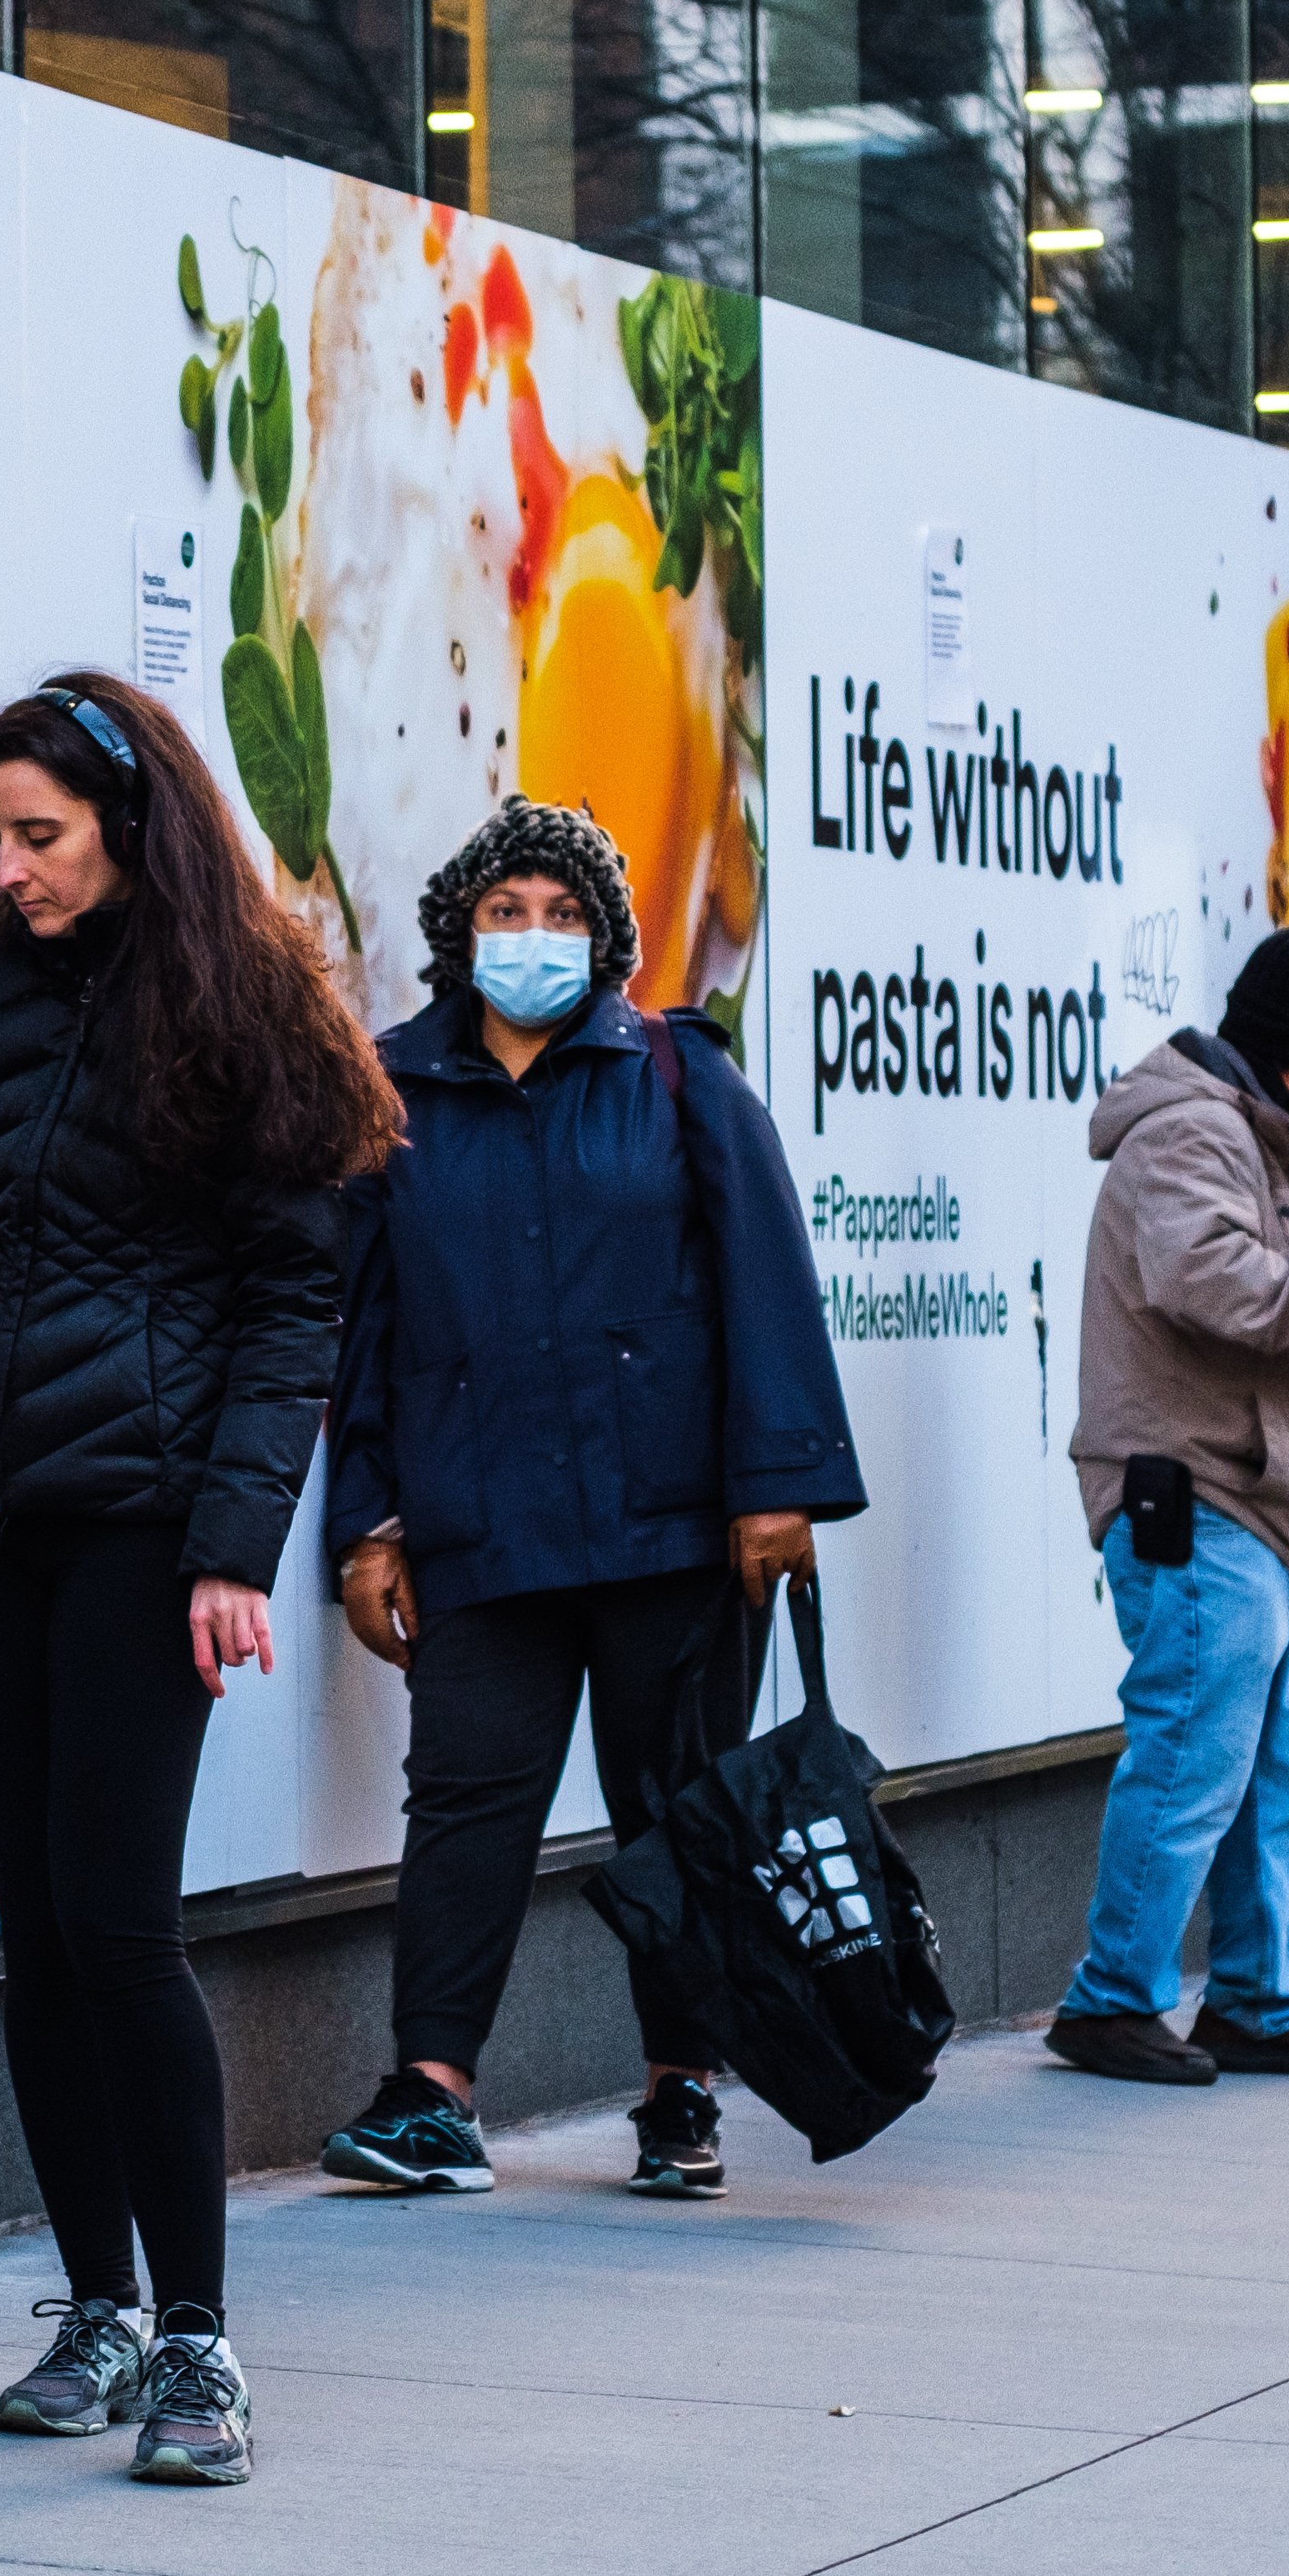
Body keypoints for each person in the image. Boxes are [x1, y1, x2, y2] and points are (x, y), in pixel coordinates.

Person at [0, 672, 394, 2486]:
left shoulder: (241, 1009)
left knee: (118, 1921)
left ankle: (200, 2342)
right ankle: (92, 2307)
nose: (8, 869)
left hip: (142, 1521)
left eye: (41, 835)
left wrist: (233, 1545)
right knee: (34, 1927)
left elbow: (291, 1300)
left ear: (135, 820)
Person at [315, 802, 869, 2201]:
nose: (532, 937)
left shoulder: (677, 1074)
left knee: (674, 1803)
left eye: (562, 913)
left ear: (604, 939)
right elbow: (355, 1327)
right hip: (478, 1520)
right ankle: (430, 2092)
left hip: (672, 1524)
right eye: (505, 910)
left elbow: (766, 1282)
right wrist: (365, 1520)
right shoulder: (389, 1092)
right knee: (462, 1798)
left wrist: (777, 1490)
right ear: (460, 929)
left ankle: (681, 2084)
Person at [1047, 922, 1289, 2088]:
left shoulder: (1254, 1136)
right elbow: (1203, 1277)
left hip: (1250, 1504)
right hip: (1193, 1492)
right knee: (1190, 1750)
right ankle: (1108, 1997)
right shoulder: (1189, 1135)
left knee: (1271, 1764)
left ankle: (1257, 1997)